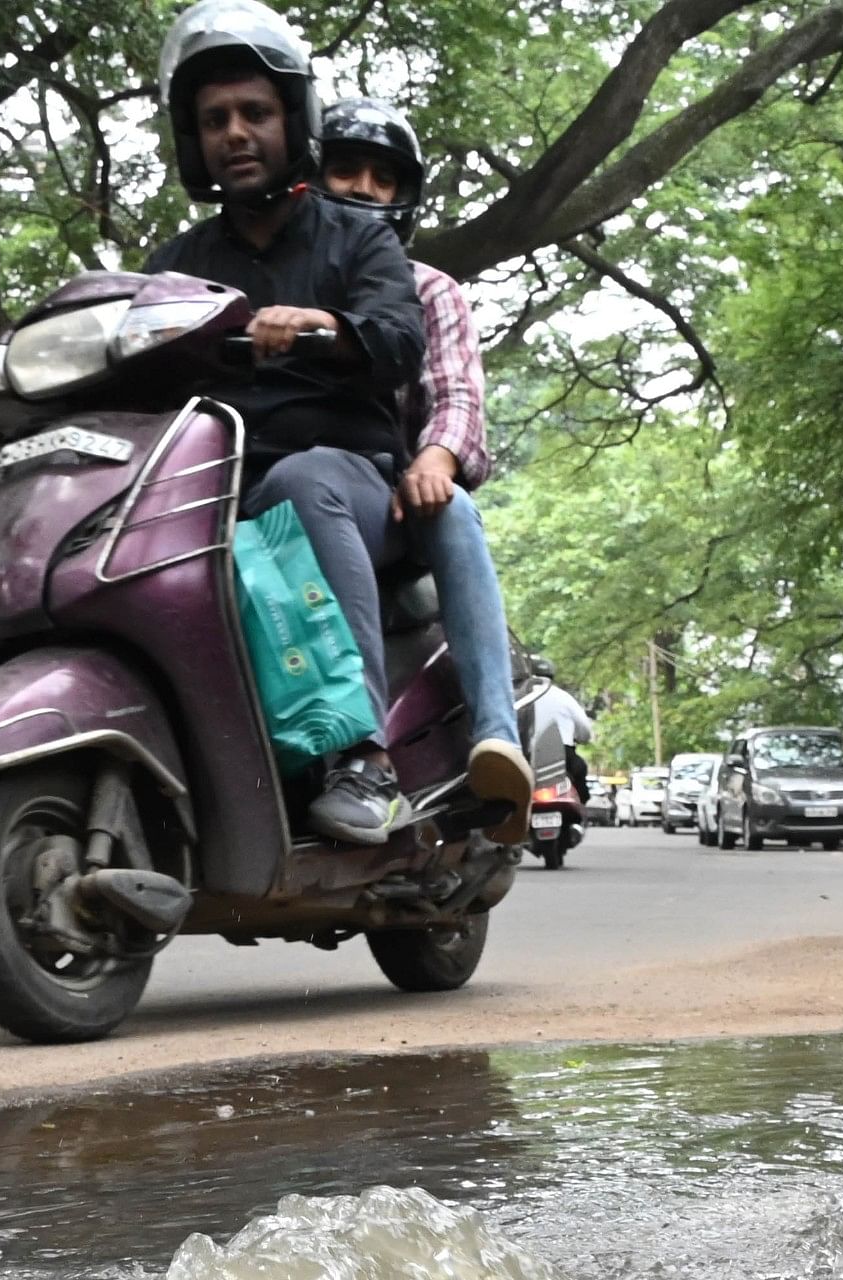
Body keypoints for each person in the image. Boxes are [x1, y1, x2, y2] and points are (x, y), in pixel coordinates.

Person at [141, 2, 431, 845]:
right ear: (195, 141)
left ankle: (363, 760)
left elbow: (400, 342)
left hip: (350, 481)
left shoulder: (357, 240)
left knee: (300, 483)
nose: (235, 132)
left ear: (291, 121)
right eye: (215, 119)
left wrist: (323, 326)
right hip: (216, 487)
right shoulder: (175, 267)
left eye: (255, 114)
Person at [312, 95, 536, 830]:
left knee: (453, 506)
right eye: (345, 170)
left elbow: (458, 397)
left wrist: (434, 459)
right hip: (281, 496)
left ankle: (495, 731)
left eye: (383, 178)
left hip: (396, 499)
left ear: (404, 196)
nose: (364, 189)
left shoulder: (431, 288)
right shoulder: (281, 285)